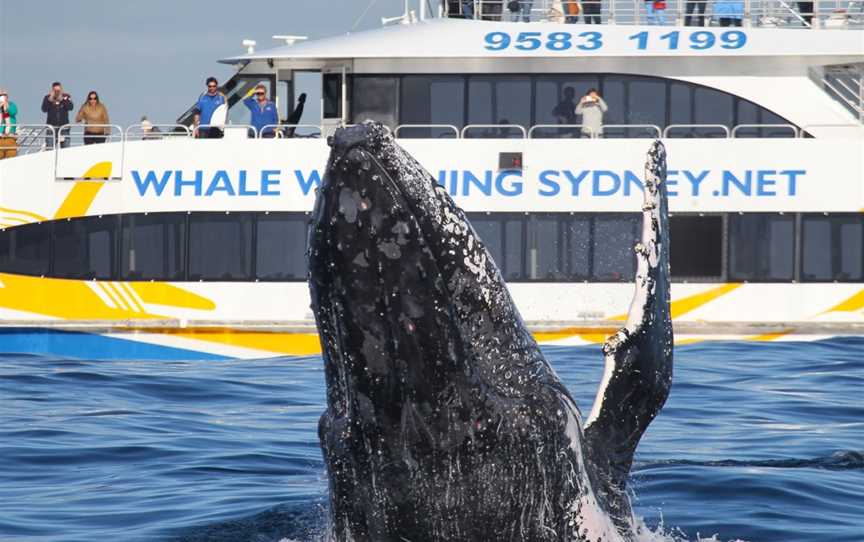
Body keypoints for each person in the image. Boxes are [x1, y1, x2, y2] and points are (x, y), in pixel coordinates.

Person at [41, 81, 73, 149]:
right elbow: (44, 109)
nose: (57, 92)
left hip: (64, 128)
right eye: (55, 90)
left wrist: (62, 100)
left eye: (58, 90)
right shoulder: (47, 98)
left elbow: (70, 107)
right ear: (52, 90)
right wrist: (50, 99)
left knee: (66, 149)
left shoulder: (66, 97)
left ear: (61, 89)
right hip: (51, 128)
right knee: (50, 149)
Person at [0, 88, 18, 159]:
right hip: (0, 136)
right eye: (1, 95)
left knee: (11, 155)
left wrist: (6, 105)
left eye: (4, 95)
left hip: (10, 136)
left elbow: (13, 112)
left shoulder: (11, 104)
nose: (2, 97)